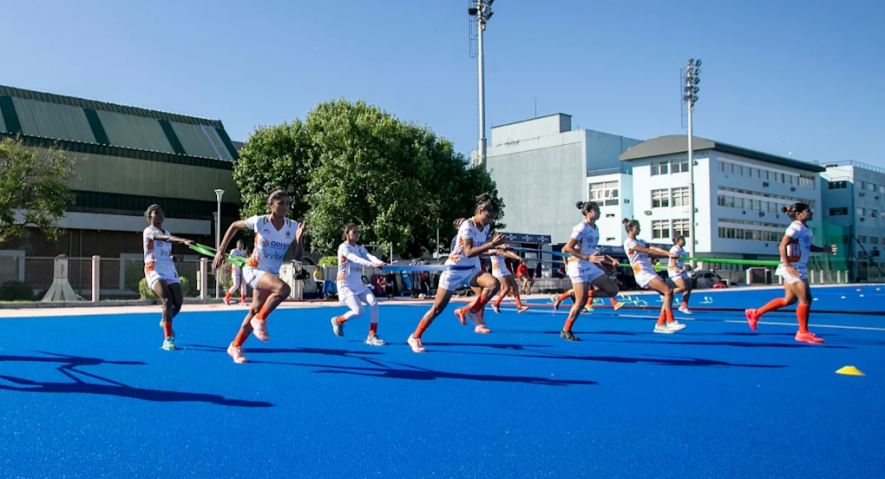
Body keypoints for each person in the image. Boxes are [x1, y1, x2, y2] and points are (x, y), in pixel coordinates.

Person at [213, 189, 305, 363]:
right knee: (284, 289)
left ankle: (235, 346)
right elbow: (233, 226)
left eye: (287, 203)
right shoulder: (260, 221)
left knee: (254, 311)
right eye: (281, 203)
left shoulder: (292, 226)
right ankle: (260, 319)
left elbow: (297, 256)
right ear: (271, 205)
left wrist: (299, 239)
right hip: (253, 269)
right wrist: (221, 250)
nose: (285, 207)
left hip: (270, 274)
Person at [407, 194, 505, 353]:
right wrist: (491, 244)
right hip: (454, 270)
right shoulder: (467, 226)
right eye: (488, 217)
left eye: (493, 218)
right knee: (438, 308)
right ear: (480, 211)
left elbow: (479, 253)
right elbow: (469, 251)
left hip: (472, 269)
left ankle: (472, 311)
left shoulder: (486, 228)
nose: (490, 221)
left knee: (494, 284)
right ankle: (415, 336)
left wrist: (496, 249)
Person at [745, 203, 837, 344]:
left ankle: (755, 313)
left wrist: (825, 250)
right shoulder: (795, 227)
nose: (811, 212)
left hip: (798, 266)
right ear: (799, 214)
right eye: (807, 211)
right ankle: (802, 332)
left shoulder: (806, 229)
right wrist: (787, 265)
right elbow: (782, 245)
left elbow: (807, 246)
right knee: (805, 299)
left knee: (789, 300)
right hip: (793, 267)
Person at [558, 201, 622, 341]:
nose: (599, 212)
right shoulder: (581, 227)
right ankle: (566, 329)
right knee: (581, 303)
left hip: (589, 264)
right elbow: (568, 248)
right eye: (596, 210)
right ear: (588, 212)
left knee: (612, 290)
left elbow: (593, 251)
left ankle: (580, 293)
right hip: (578, 265)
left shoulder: (595, 228)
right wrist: (587, 257)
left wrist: (609, 261)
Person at [143, 204, 194, 351]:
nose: (159, 215)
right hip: (154, 269)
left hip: (169, 269)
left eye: (161, 212)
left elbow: (164, 251)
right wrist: (183, 241)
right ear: (149, 217)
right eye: (156, 213)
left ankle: (165, 319)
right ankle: (168, 339)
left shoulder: (167, 231)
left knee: (178, 303)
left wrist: (174, 257)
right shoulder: (149, 231)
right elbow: (164, 239)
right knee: (166, 299)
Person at [624, 219, 685, 334]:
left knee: (669, 294)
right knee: (668, 291)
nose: (639, 229)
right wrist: (668, 255)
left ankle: (660, 324)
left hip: (649, 272)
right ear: (629, 229)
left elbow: (652, 248)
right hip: (642, 273)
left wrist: (668, 253)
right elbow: (647, 251)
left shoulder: (640, 240)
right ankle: (670, 321)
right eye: (637, 228)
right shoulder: (629, 243)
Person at [330, 224, 387, 345]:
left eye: (357, 232)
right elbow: (355, 259)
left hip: (358, 284)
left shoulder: (360, 248)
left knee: (374, 303)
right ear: (347, 234)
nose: (357, 234)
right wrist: (372, 265)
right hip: (345, 283)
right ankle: (338, 320)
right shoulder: (343, 247)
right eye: (354, 232)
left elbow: (369, 256)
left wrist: (379, 262)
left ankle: (372, 335)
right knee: (358, 311)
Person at [490, 249, 530, 313]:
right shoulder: (493, 247)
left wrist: (518, 257)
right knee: (507, 288)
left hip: (504, 268)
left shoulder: (501, 246)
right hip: (497, 269)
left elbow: (508, 252)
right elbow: (503, 254)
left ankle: (519, 306)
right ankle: (495, 304)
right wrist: (516, 257)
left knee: (515, 285)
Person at [668, 236, 693, 314]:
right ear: (678, 241)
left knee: (689, 287)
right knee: (683, 287)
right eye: (683, 240)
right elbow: (673, 262)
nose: (684, 242)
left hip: (680, 270)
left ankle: (683, 306)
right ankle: (667, 293)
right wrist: (679, 269)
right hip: (674, 271)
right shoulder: (674, 249)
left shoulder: (682, 250)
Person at [224, 240, 248, 306]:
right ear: (237, 245)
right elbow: (230, 259)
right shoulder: (234, 251)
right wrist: (238, 259)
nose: (240, 246)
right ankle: (227, 297)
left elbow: (247, 260)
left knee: (244, 284)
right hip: (235, 268)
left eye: (242, 245)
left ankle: (243, 300)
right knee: (236, 284)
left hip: (243, 269)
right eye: (239, 244)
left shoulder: (244, 251)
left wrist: (246, 257)